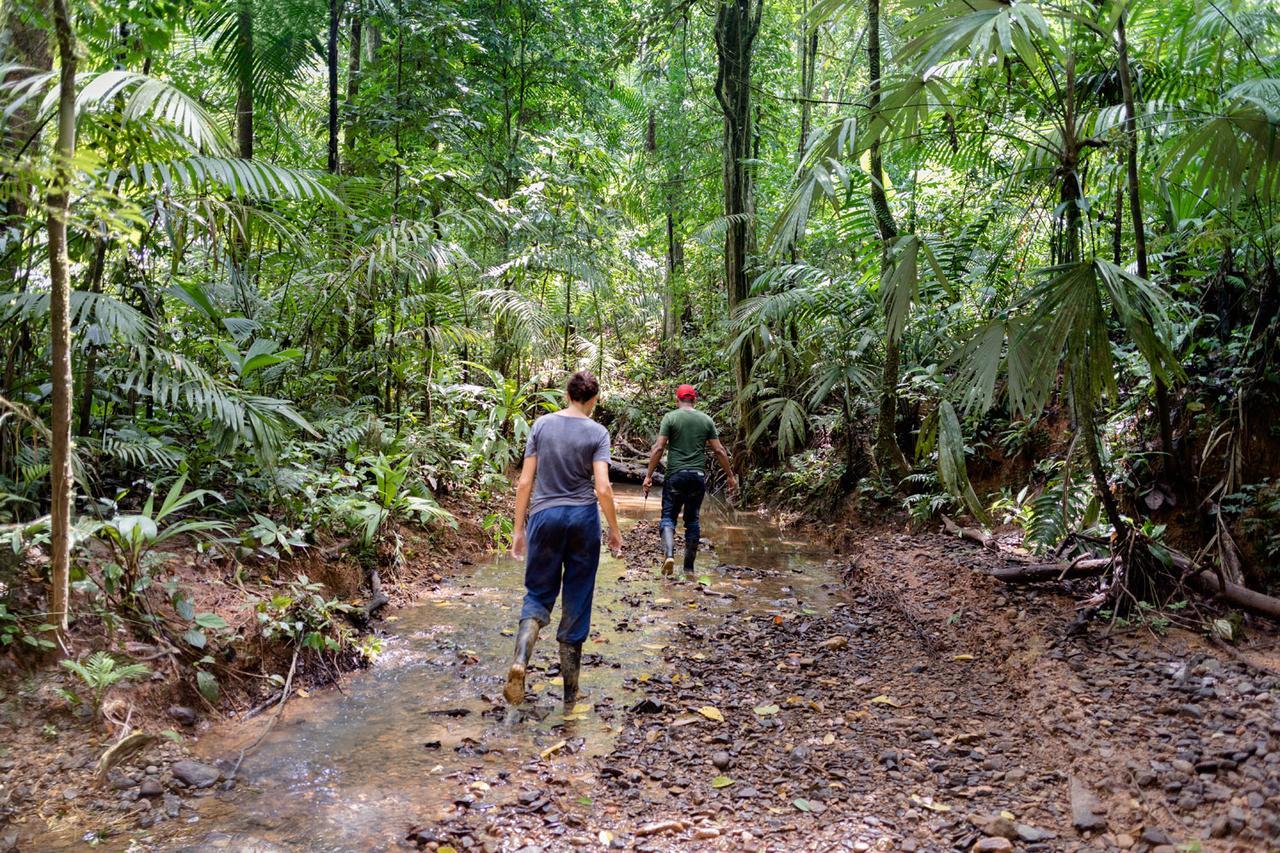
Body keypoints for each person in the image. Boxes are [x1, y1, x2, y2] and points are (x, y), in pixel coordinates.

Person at [504, 370, 623, 711]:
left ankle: (521, 661)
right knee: (577, 599)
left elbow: (525, 482)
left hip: (544, 517)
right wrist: (614, 529)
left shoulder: (541, 425)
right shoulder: (598, 432)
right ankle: (570, 699)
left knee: (538, 595)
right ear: (593, 399)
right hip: (583, 519)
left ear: (567, 395)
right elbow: (602, 487)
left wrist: (518, 530)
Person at [642, 384, 737, 576]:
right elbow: (719, 450)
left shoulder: (670, 417)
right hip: (697, 477)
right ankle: (689, 569)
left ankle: (669, 555)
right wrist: (729, 476)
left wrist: (648, 475)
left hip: (675, 475)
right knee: (692, 520)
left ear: (677, 400)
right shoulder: (706, 420)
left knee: (668, 516)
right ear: (695, 400)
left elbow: (659, 448)